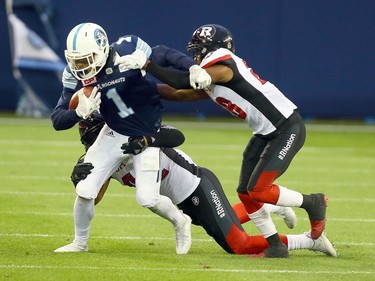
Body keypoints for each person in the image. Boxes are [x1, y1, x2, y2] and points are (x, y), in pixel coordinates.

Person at [120, 24, 329, 258]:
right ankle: (276, 245)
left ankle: (313, 202)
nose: (195, 56)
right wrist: (139, 88)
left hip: (286, 127)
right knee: (245, 192)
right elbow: (178, 93)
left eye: (199, 50)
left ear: (213, 48)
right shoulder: (212, 75)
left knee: (259, 189)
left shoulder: (223, 65)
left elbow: (181, 83)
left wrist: (148, 66)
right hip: (265, 132)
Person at [69, 115, 337, 257]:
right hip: (183, 200)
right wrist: (79, 179)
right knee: (223, 223)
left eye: (93, 136)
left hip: (198, 185)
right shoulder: (99, 158)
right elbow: (94, 196)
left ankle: (308, 242)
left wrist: (146, 139)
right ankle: (269, 207)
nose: (91, 143)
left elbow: (176, 135)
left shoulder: (137, 134)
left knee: (237, 245)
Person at [51, 22, 209, 254]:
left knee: (147, 198)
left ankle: (180, 221)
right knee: (85, 190)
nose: (81, 66)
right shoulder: (74, 75)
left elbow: (164, 53)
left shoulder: (128, 48)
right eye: (77, 61)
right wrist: (78, 113)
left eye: (87, 59)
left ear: (103, 49)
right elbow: (57, 119)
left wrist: (193, 68)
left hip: (144, 131)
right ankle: (80, 242)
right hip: (112, 131)